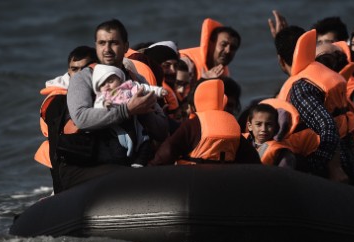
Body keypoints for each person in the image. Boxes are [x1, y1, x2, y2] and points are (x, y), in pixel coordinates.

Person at [61, 19, 168, 191]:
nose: (107, 49)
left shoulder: (137, 81)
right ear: (96, 46)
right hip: (91, 163)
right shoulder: (84, 79)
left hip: (132, 163)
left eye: (114, 43)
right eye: (102, 43)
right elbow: (81, 118)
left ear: (126, 46)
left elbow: (162, 130)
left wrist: (143, 110)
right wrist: (127, 110)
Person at [274, 26, 354, 185]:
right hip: (347, 167)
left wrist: (318, 168)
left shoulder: (302, 86)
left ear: (280, 60)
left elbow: (328, 128)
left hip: (324, 176)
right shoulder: (331, 84)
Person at [149, 79, 261, 165]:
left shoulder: (193, 125)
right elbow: (253, 159)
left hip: (192, 184)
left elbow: (167, 151)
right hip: (225, 183)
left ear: (198, 100)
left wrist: (151, 168)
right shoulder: (233, 127)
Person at [34, 46, 98, 193]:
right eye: (75, 70)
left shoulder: (108, 87)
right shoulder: (58, 102)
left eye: (84, 69)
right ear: (69, 72)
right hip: (67, 171)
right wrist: (60, 192)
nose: (79, 74)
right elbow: (55, 150)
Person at [180, 18, 241, 83]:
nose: (228, 51)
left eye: (233, 47)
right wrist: (203, 80)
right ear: (211, 44)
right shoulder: (186, 62)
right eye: (223, 44)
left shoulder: (223, 74)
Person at [245, 103, 296, 169]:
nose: (263, 129)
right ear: (250, 126)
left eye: (269, 124)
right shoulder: (241, 142)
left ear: (276, 126)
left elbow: (285, 176)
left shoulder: (282, 154)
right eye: (258, 124)